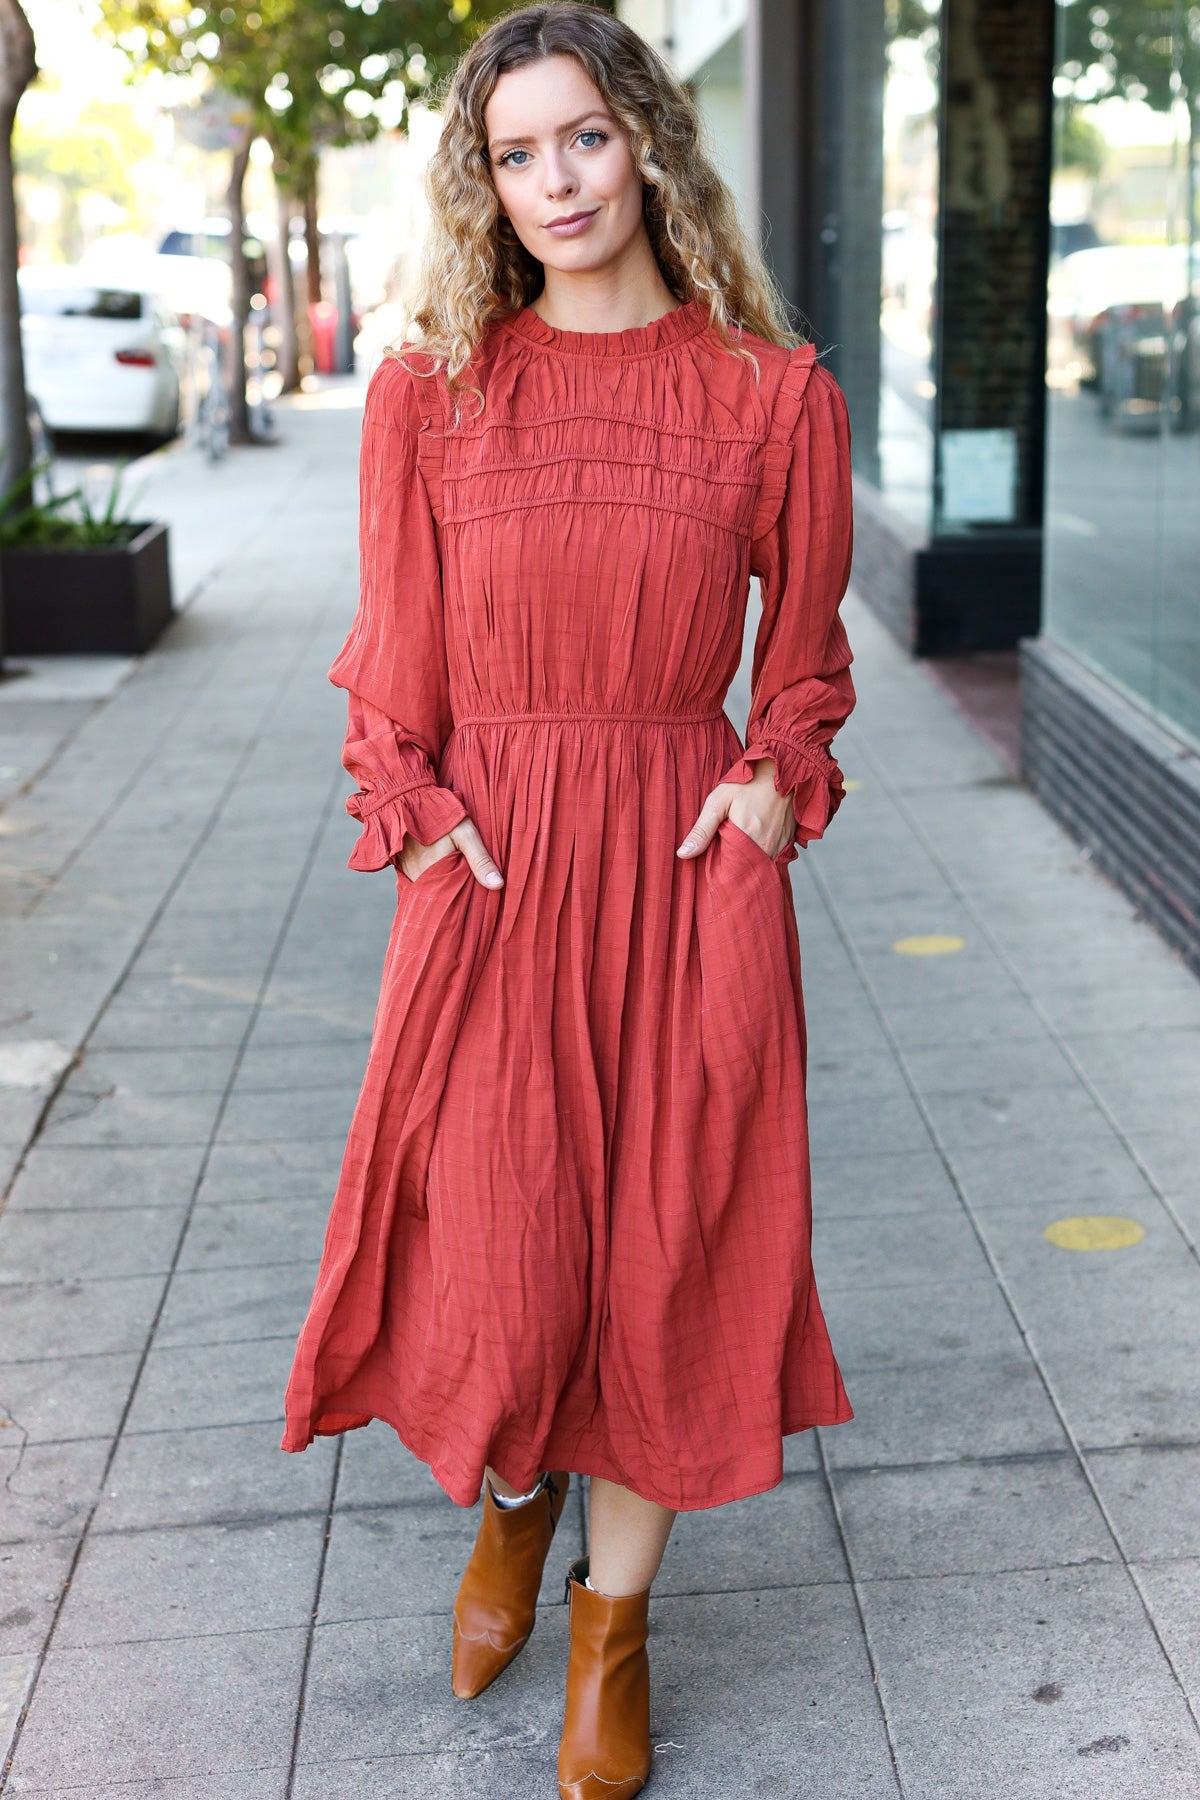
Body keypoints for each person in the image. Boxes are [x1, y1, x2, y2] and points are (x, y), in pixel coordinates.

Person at [282, 4, 857, 1793]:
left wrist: (765, 792)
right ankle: (516, 1504)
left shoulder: (774, 396)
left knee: (673, 1258)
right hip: (502, 881)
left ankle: (613, 1633)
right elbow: (392, 678)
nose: (556, 182)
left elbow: (810, 665)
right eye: (517, 152)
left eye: (585, 138)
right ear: (484, 179)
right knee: (517, 1259)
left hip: (689, 879)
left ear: (650, 145)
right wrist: (430, 822)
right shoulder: (432, 401)